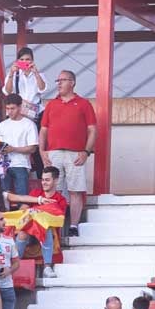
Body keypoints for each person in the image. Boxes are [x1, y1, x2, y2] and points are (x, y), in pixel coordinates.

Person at [40, 70, 96, 236]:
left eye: (62, 80)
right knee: (52, 189)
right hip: (53, 152)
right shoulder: (51, 104)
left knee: (75, 190)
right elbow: (43, 130)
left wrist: (86, 151)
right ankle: (54, 225)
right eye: (58, 80)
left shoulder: (84, 104)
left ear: (72, 82)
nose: (59, 83)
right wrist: (42, 151)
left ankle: (73, 225)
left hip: (75, 154)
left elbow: (93, 130)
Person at [0, 94, 40, 194]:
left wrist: (13, 149)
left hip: (21, 164)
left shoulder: (29, 124)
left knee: (22, 196)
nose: (9, 112)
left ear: (20, 107)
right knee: (2, 196)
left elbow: (33, 148)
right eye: (7, 109)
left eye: (13, 108)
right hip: (2, 164)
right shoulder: (2, 125)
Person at [5, 47, 47, 124]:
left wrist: (36, 73)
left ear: (32, 61)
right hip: (18, 112)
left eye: (27, 59)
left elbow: (42, 89)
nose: (25, 61)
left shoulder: (39, 74)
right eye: (22, 59)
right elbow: (8, 91)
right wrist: (11, 73)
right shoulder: (13, 74)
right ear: (17, 61)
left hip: (34, 113)